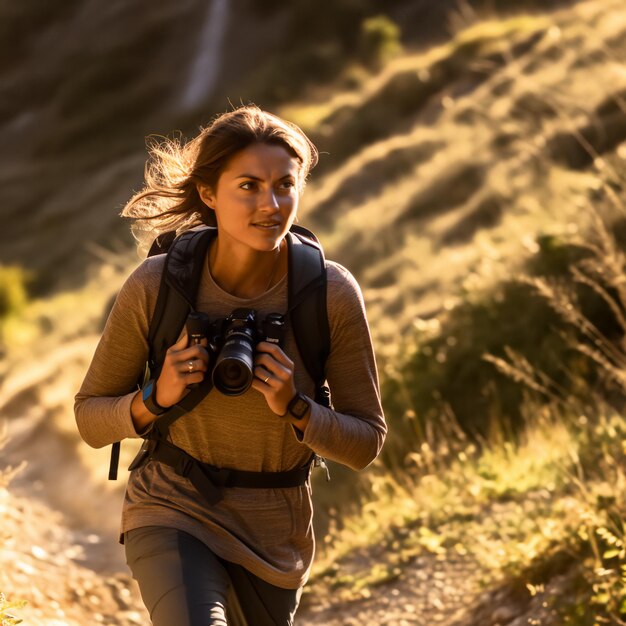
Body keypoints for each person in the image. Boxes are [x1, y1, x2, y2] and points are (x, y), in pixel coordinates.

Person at [74, 105, 386, 626]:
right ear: (208, 193)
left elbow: (366, 442)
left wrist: (296, 407)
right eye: (248, 186)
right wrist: (156, 399)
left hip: (275, 535)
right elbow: (89, 418)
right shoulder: (158, 286)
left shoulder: (328, 293)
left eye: (285, 185)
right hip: (171, 506)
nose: (271, 204)